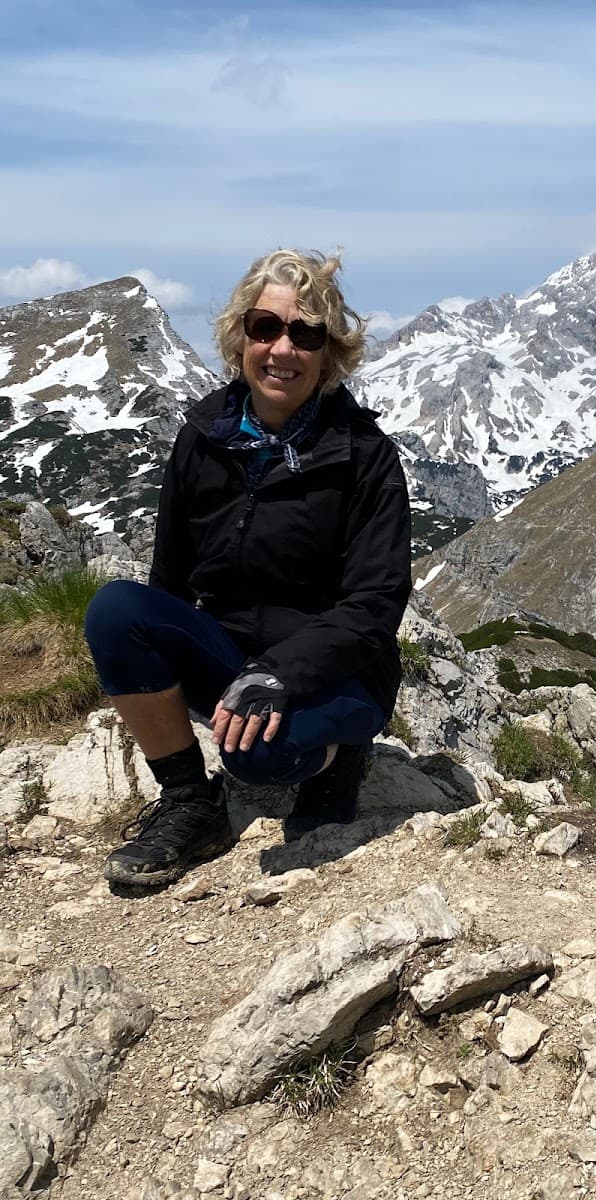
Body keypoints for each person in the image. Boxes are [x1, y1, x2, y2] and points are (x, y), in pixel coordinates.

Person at [84, 249, 412, 887]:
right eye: (266, 328)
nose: (282, 349)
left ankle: (338, 758)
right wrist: (168, 666)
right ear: (241, 338)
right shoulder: (202, 438)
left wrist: (280, 673)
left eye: (305, 333)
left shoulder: (365, 457)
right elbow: (170, 584)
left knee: (256, 757)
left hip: (337, 673)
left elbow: (374, 606)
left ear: (329, 353)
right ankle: (187, 802)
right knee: (117, 611)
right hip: (233, 658)